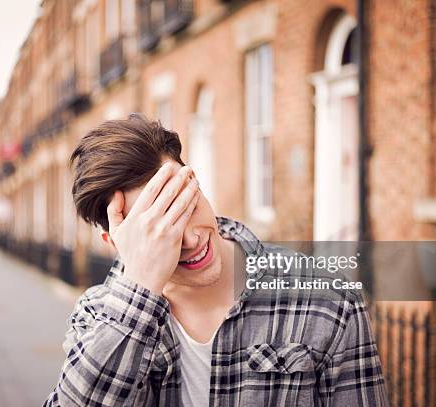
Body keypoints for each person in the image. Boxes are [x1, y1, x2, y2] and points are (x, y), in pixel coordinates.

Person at [43, 114, 388, 406]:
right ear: (115, 242)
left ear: (195, 182)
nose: (191, 239)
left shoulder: (327, 299)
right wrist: (141, 283)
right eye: (161, 228)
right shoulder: (96, 316)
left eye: (184, 206)